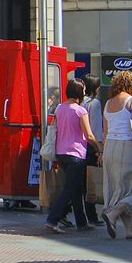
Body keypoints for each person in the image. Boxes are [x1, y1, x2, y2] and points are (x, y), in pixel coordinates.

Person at [43, 79, 101, 233]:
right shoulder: (80, 111)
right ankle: (52, 219)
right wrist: (99, 148)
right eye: (82, 90)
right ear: (78, 92)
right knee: (69, 189)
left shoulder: (60, 108)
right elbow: (89, 135)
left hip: (61, 153)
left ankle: (82, 222)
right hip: (76, 154)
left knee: (76, 188)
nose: (84, 93)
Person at [101, 70, 132, 239]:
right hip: (127, 146)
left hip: (110, 148)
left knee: (119, 189)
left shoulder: (108, 103)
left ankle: (130, 229)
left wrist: (102, 152)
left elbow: (105, 131)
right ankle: (112, 214)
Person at [81, 74, 103, 226]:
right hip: (90, 146)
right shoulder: (94, 104)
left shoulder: (79, 102)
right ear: (95, 88)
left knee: (80, 183)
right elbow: (95, 129)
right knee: (91, 183)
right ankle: (92, 216)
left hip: (77, 146)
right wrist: (99, 148)